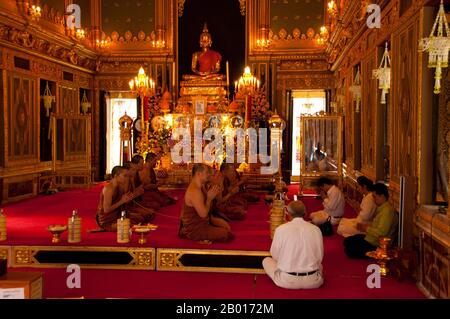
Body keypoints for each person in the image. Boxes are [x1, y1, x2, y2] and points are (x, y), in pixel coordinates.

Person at [262, 200, 324, 289]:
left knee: (266, 260)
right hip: (313, 281)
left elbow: (275, 255)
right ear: (305, 213)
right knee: (320, 266)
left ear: (288, 214)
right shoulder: (316, 230)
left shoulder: (281, 229)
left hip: (287, 280)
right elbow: (319, 257)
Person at [178, 163, 234, 242]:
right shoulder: (194, 191)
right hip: (196, 230)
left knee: (227, 228)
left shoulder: (201, 186)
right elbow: (203, 214)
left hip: (204, 222)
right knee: (227, 234)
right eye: (206, 172)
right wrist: (209, 199)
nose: (208, 175)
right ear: (199, 174)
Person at [343, 183, 399, 259]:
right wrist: (366, 226)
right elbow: (376, 224)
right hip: (371, 238)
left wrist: (366, 228)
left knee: (349, 250)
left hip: (377, 244)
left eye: (375, 197)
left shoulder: (387, 212)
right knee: (347, 241)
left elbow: (381, 233)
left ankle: (376, 254)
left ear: (382, 196)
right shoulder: (383, 208)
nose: (373, 199)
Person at [96, 166, 155, 231]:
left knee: (141, 218)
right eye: (125, 176)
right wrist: (122, 201)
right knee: (129, 225)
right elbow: (106, 210)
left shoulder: (120, 187)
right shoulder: (108, 189)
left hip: (118, 216)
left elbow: (124, 203)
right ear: (116, 176)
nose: (127, 178)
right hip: (107, 221)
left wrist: (129, 198)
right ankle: (108, 227)